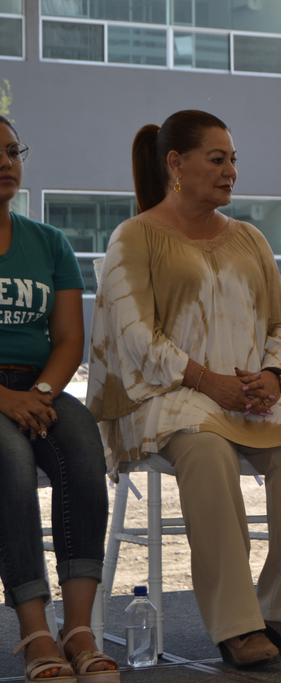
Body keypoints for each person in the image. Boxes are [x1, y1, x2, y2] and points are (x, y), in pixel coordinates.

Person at [86, 110, 281, 668]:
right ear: (176, 164)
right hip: (166, 395)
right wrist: (205, 380)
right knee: (207, 448)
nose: (230, 172)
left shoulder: (249, 237)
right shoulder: (135, 236)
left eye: (233, 160)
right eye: (217, 160)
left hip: (247, 393)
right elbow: (134, 336)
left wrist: (274, 376)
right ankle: (237, 625)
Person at [0, 117, 118, 683]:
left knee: (84, 447)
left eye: (12, 151)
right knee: (10, 460)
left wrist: (42, 393)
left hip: (38, 385)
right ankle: (34, 632)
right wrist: (5, 398)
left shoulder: (49, 242)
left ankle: (78, 629)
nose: (6, 163)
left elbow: (70, 338)